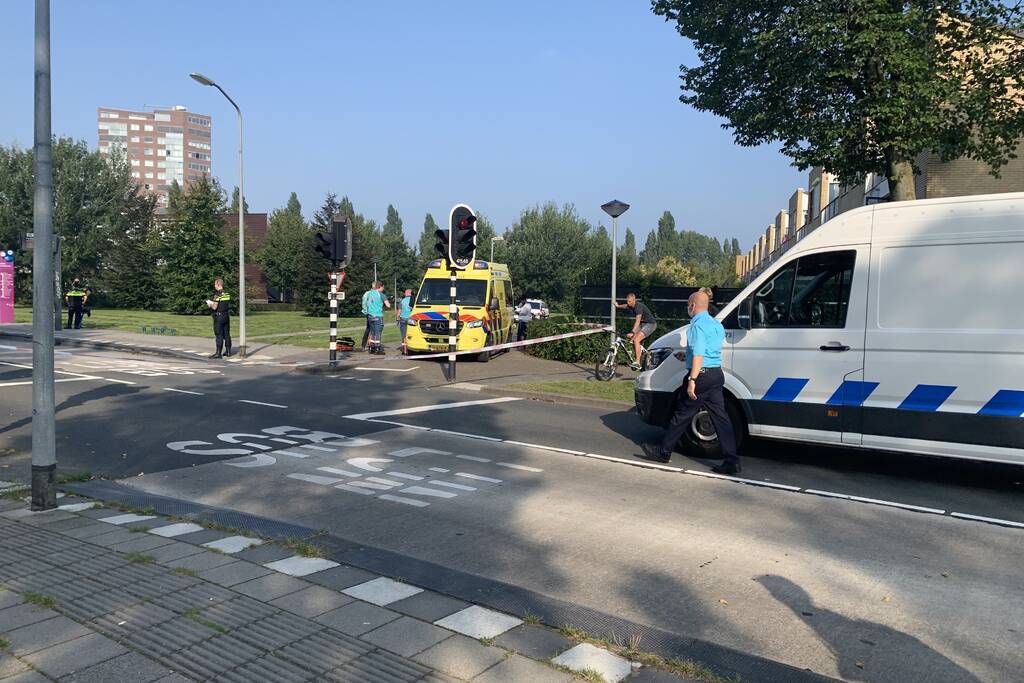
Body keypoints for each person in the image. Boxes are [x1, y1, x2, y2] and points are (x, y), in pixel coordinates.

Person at [641, 288, 741, 474]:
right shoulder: (716, 324)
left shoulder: (696, 326)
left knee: (682, 414)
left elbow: (700, 353)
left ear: (693, 306)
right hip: (715, 375)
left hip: (700, 376)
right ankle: (731, 460)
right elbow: (708, 350)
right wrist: (685, 355)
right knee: (721, 418)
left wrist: (692, 379)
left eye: (688, 305)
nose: (688, 308)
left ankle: (663, 452)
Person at [615, 291, 657, 370]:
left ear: (634, 300)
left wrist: (633, 332)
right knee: (632, 340)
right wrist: (618, 306)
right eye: (627, 301)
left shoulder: (638, 307)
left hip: (650, 324)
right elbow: (625, 306)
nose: (628, 302)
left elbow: (637, 321)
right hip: (643, 324)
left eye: (629, 301)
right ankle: (641, 355)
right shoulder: (631, 305)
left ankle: (637, 362)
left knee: (636, 339)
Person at [206, 278, 232, 358]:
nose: (214, 286)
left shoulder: (217, 294)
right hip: (226, 315)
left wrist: (209, 304)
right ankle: (228, 352)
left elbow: (214, 307)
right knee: (227, 334)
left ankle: (218, 353)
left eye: (215, 284)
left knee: (219, 334)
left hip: (219, 316)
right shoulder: (227, 294)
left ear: (218, 284)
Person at [363, 281, 391, 355]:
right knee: (378, 332)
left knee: (372, 332)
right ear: (380, 287)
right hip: (378, 316)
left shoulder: (368, 294)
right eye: (383, 287)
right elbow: (388, 305)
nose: (383, 289)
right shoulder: (381, 295)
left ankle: (371, 348)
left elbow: (365, 303)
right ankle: (377, 348)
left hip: (370, 316)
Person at [397, 288, 413, 354]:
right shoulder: (413, 301)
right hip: (411, 319)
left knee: (403, 334)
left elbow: (399, 311)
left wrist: (397, 318)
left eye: (405, 292)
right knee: (411, 334)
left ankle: (404, 349)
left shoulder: (402, 301)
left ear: (406, 293)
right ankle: (411, 347)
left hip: (403, 318)